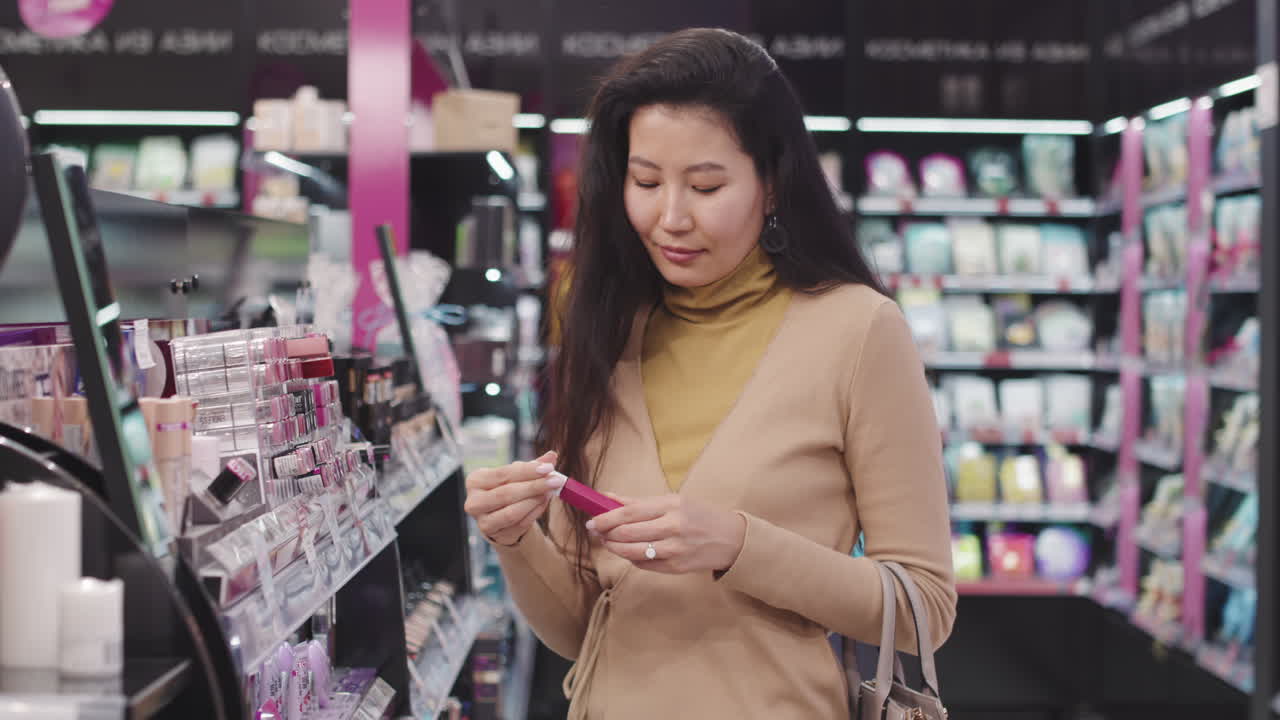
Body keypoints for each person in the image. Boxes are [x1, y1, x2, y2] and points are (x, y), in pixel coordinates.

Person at [464, 27, 955, 719]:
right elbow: (581, 629)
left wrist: (739, 545)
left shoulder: (859, 331)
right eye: (645, 182)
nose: (669, 217)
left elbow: (923, 609)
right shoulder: (607, 326)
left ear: (773, 180)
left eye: (705, 185)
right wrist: (515, 539)